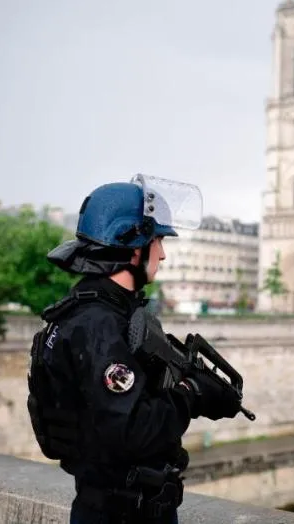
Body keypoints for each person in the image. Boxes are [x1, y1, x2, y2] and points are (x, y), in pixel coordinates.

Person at [26, 175, 243, 523]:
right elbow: (132, 431)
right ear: (133, 246)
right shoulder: (101, 325)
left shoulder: (92, 312)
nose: (164, 254)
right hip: (125, 514)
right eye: (157, 240)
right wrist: (191, 393)